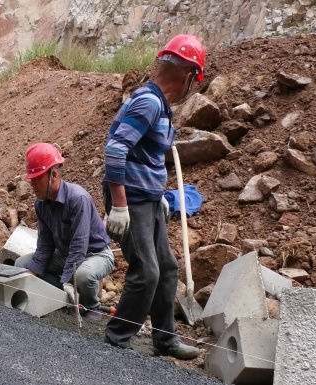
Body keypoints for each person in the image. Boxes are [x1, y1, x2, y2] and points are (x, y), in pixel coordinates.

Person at [101, 34, 206, 359]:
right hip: (130, 200)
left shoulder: (160, 106)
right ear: (189, 76)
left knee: (167, 267)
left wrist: (159, 194)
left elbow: (143, 156)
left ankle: (165, 339)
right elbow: (115, 150)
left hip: (147, 198)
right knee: (146, 271)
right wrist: (119, 205)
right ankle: (116, 340)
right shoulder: (148, 102)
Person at [15, 143, 114, 320]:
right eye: (31, 179)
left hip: (96, 254)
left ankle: (92, 306)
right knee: (21, 266)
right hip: (66, 254)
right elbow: (45, 244)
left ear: (53, 175)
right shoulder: (41, 204)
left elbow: (79, 245)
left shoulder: (78, 198)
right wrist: (31, 274)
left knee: (82, 275)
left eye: (37, 178)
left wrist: (68, 278)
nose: (32, 184)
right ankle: (66, 298)